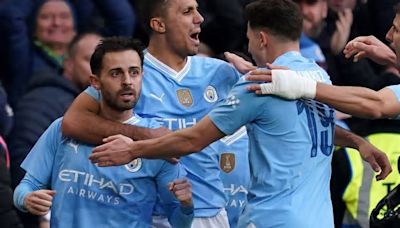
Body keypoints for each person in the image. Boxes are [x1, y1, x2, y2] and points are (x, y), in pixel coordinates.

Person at [87, 1, 389, 227]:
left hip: (270, 219)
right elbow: (306, 124)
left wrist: (133, 149)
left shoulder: (260, 84)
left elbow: (193, 140)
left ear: (261, 40)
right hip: (319, 220)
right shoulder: (317, 78)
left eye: (248, 39)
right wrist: (355, 140)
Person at [62, 0, 246, 227]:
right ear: (159, 25)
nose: (199, 18)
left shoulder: (221, 72)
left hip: (210, 213)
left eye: (197, 9)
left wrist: (258, 75)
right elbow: (73, 121)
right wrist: (144, 134)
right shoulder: (131, 72)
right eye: (188, 11)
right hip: (149, 215)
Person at [13, 37, 194, 228]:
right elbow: (25, 187)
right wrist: (27, 199)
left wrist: (186, 205)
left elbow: (180, 222)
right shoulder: (60, 129)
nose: (127, 81)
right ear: (95, 82)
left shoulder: (158, 143)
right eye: (116, 73)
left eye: (134, 72)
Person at [7, 32, 101, 228]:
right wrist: (44, 214)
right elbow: (23, 162)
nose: (97, 70)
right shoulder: (45, 100)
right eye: (89, 60)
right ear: (68, 64)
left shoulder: (100, 109)